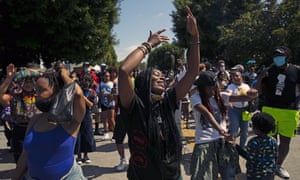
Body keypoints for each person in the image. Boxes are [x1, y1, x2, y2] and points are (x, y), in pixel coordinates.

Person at [118, 6, 200, 180]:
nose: (162, 79)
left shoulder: (167, 101)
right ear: (144, 81)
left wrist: (194, 36)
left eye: (163, 76)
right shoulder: (134, 106)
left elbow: (192, 71)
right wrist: (148, 46)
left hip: (172, 175)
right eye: (156, 76)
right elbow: (124, 71)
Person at [10, 63, 87, 179]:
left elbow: (77, 94)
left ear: (57, 92)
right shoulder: (35, 119)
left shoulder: (70, 119)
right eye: (36, 89)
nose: (36, 94)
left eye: (41, 90)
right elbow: (25, 155)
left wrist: (64, 75)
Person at [255, 46, 300, 179]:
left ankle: (278, 165)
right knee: (270, 140)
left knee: (285, 141)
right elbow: (258, 90)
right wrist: (260, 78)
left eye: (280, 56)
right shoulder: (268, 71)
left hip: (289, 111)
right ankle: (269, 164)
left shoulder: (296, 70)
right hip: (270, 109)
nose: (277, 59)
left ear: (287, 57)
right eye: (275, 56)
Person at [189, 71, 240, 180]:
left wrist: (252, 94)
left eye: (213, 87)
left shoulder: (220, 96)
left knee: (229, 175)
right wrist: (221, 130)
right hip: (205, 142)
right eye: (208, 88)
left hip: (222, 142)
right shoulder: (196, 98)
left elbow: (241, 98)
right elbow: (206, 113)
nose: (212, 90)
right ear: (201, 88)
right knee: (203, 177)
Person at [0, 69, 39, 163]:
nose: (28, 84)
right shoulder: (15, 96)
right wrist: (9, 78)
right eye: (26, 82)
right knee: (20, 160)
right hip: (19, 131)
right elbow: (0, 96)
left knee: (36, 160)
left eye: (31, 82)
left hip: (36, 131)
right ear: (21, 83)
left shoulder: (39, 96)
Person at [236, 112, 277, 180]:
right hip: (269, 173)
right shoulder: (273, 141)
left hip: (255, 174)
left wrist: (237, 148)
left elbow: (249, 156)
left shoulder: (254, 142)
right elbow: (275, 156)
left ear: (257, 129)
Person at [225, 64, 251, 148]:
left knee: (245, 131)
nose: (236, 78)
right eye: (233, 77)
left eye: (237, 76)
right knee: (234, 130)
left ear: (241, 76)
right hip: (234, 111)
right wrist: (229, 101)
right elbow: (228, 94)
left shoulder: (246, 86)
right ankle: (231, 147)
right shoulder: (231, 86)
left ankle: (242, 147)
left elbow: (251, 96)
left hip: (245, 111)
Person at [75, 73, 96, 164]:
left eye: (88, 81)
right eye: (84, 80)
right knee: (78, 135)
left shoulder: (92, 92)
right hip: (78, 114)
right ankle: (79, 156)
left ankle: (86, 155)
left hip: (87, 115)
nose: (86, 83)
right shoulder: (78, 90)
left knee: (87, 135)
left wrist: (83, 97)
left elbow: (91, 105)